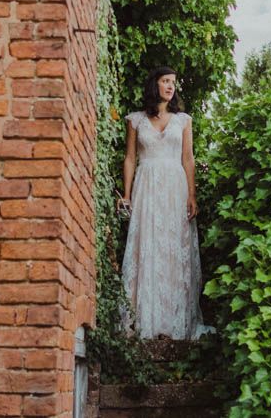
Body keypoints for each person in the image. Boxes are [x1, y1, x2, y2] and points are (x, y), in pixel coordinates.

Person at [118, 66, 215, 340]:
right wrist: (126, 195)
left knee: (173, 249)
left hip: (175, 188)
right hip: (147, 188)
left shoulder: (183, 120)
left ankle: (174, 322)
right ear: (155, 84)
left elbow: (188, 159)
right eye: (165, 81)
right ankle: (143, 321)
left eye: (173, 82)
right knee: (147, 247)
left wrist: (192, 195)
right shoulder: (136, 120)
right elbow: (129, 159)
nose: (171, 86)